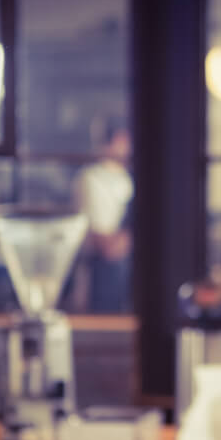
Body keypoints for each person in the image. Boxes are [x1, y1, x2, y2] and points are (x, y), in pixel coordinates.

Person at [72, 118, 133, 312]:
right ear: (118, 140)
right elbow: (107, 247)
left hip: (127, 281)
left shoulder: (127, 178)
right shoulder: (92, 178)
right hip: (100, 278)